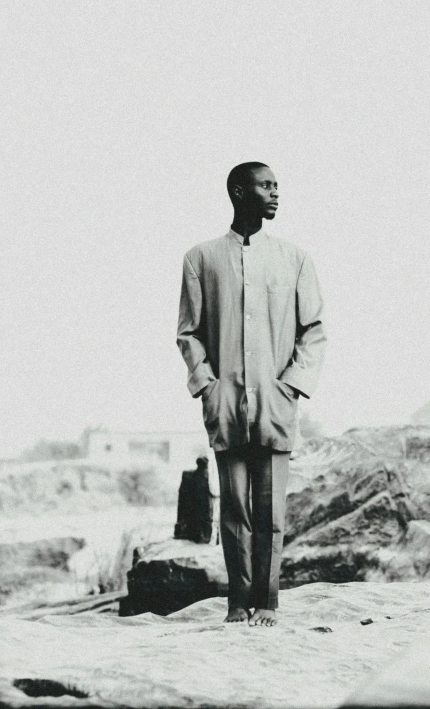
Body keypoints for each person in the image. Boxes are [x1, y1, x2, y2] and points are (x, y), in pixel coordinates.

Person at [176, 162, 327, 626]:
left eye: (277, 185)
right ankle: (237, 603)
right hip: (225, 404)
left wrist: (293, 386)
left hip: (276, 403)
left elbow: (313, 331)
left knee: (271, 511)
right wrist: (206, 385)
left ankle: (268, 601)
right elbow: (189, 332)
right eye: (266, 186)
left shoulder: (295, 258)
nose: (276, 193)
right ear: (239, 193)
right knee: (234, 512)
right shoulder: (200, 258)